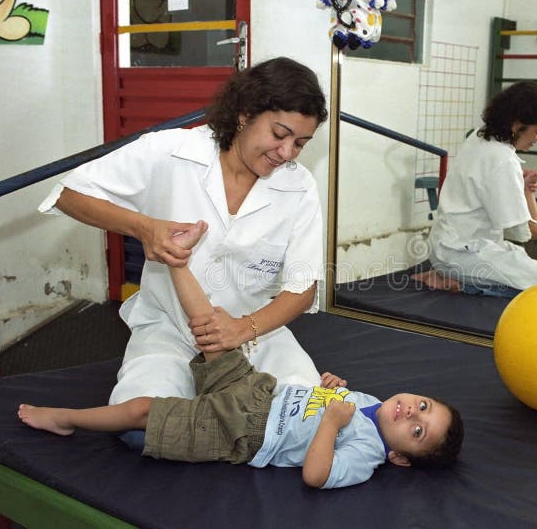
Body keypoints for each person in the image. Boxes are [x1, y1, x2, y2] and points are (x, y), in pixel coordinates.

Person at [18, 223, 464, 489]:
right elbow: (323, 405)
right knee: (213, 329)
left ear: (400, 458)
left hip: (242, 431)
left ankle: (66, 418)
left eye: (417, 430)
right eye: (421, 405)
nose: (409, 413)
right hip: (260, 392)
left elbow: (316, 474)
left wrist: (330, 423)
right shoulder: (372, 404)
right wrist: (330, 391)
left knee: (140, 411)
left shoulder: (368, 453)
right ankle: (177, 260)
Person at [37, 57, 329, 447]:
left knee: (309, 415)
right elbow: (69, 194)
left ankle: (222, 416)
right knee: (140, 427)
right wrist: (144, 228)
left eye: (300, 144)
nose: (287, 152)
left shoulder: (299, 187)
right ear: (245, 114)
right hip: (169, 328)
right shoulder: (171, 150)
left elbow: (302, 288)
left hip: (255, 333)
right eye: (280, 134)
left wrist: (244, 328)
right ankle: (225, 416)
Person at [413, 81, 537, 297]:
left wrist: (519, 186)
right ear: (517, 125)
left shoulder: (478, 137)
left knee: (517, 258)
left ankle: (448, 278)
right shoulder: (503, 159)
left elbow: (485, 187)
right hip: (461, 254)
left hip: (449, 248)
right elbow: (522, 232)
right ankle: (453, 279)